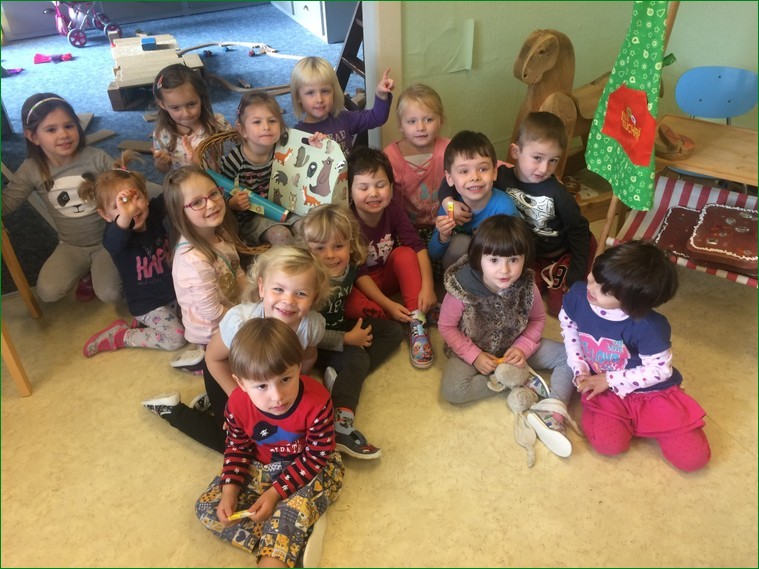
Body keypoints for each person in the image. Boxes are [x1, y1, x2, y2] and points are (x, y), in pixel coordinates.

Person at [143, 245, 333, 453]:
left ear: (314, 297)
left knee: (285, 439)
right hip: (227, 372)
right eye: (278, 289)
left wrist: (296, 389)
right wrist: (241, 399)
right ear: (262, 287)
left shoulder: (312, 325)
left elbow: (307, 358)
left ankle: (213, 401)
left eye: (301, 293)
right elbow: (214, 359)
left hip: (267, 383)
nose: (288, 300)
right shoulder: (239, 321)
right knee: (235, 444)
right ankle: (173, 411)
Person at [195, 317, 344, 568]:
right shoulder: (236, 405)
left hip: (312, 469)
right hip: (262, 468)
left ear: (298, 367)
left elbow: (316, 457)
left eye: (285, 379)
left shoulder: (318, 401)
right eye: (262, 386)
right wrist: (230, 491)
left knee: (294, 505)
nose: (277, 396)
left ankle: (281, 541)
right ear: (241, 383)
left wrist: (275, 494)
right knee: (207, 507)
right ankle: (290, 535)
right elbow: (238, 448)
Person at [140, 166, 267, 449]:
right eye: (197, 202)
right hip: (215, 340)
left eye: (213, 194)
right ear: (180, 213)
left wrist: (257, 300)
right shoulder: (192, 260)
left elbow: (238, 274)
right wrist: (254, 322)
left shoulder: (220, 236)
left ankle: (213, 395)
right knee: (233, 443)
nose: (210, 204)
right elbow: (213, 313)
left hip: (233, 324)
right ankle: (173, 411)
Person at [560, 240, 711, 472]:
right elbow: (569, 326)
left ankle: (642, 421)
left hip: (649, 391)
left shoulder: (649, 326)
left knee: (693, 459)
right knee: (609, 445)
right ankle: (624, 420)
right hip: (605, 390)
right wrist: (579, 365)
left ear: (633, 304)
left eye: (605, 290)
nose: (591, 287)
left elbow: (659, 370)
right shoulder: (578, 295)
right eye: (594, 275)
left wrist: (609, 379)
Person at [439, 214, 577, 458]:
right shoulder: (461, 289)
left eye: (513, 260)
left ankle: (553, 409)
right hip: (475, 346)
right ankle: (519, 382)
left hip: (515, 345)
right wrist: (474, 356)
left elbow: (538, 319)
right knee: (453, 391)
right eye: (493, 260)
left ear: (525, 258)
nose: (504, 270)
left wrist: (523, 347)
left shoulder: (527, 286)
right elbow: (447, 327)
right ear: (478, 258)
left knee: (571, 357)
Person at [439, 112, 594, 315]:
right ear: (515, 151)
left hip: (559, 253)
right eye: (537, 158)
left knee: (561, 305)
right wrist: (448, 201)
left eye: (553, 161)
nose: (544, 168)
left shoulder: (558, 194)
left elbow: (579, 231)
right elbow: (452, 180)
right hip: (526, 252)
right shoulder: (500, 176)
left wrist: (576, 274)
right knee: (516, 294)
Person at [298, 204, 404, 459]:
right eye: (319, 248)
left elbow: (361, 281)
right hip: (313, 342)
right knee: (357, 358)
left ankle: (345, 377)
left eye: (338, 246)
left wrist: (389, 305)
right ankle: (340, 427)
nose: (330, 255)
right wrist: (346, 340)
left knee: (393, 332)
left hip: (340, 325)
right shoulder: (307, 278)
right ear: (307, 249)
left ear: (350, 244)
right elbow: (302, 331)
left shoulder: (350, 266)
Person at [2, 93, 122, 304]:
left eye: (69, 126)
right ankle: (86, 273)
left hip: (107, 241)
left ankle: (103, 269)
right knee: (48, 292)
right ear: (33, 136)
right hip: (71, 245)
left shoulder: (96, 157)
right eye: (51, 130)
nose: (64, 134)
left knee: (111, 293)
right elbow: (7, 203)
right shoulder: (31, 169)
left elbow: (125, 186)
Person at [78, 151, 186, 357]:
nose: (131, 209)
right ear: (104, 215)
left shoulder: (151, 214)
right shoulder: (114, 236)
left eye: (136, 198)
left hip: (171, 293)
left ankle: (144, 325)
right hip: (147, 304)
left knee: (197, 319)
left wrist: (186, 164)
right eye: (119, 205)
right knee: (177, 338)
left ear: (145, 197)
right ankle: (121, 336)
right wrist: (125, 216)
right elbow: (116, 238)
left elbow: (172, 192)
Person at [343, 146, 437, 370]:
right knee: (348, 303)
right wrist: (389, 306)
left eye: (380, 185)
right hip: (362, 283)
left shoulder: (393, 210)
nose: (373, 193)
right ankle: (398, 316)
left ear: (392, 187)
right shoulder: (347, 220)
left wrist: (428, 287)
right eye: (363, 187)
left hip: (387, 275)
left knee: (405, 254)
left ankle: (416, 319)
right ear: (349, 192)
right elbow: (358, 272)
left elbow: (417, 247)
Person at [218, 90, 301, 247]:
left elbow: (307, 154)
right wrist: (232, 203)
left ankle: (307, 260)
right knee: (281, 235)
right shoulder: (235, 160)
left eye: (272, 121)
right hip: (252, 219)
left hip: (284, 209)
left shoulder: (283, 148)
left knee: (306, 227)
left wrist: (317, 142)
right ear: (243, 130)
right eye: (257, 122)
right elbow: (221, 192)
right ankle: (289, 262)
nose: (266, 127)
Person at [428, 130, 520, 271]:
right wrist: (443, 235)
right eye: (464, 171)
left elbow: (517, 251)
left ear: (494, 172)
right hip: (458, 270)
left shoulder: (505, 208)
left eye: (483, 169)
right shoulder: (450, 207)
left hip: (495, 270)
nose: (475, 177)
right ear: (449, 178)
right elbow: (433, 253)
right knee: (460, 243)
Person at [290, 56, 394, 155]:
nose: (319, 99)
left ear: (333, 92)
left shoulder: (343, 119)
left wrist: (381, 95)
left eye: (325, 91)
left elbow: (376, 117)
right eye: (310, 93)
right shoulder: (297, 135)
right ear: (298, 97)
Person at [383, 83, 450, 237]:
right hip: (404, 230)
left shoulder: (450, 150)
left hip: (444, 226)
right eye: (412, 121)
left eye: (428, 119)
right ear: (401, 125)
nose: (420, 128)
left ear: (441, 121)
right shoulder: (390, 156)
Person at [151, 63, 232, 174]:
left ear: (201, 98)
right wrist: (161, 162)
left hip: (216, 181)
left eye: (191, 104)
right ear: (162, 104)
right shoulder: (162, 134)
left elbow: (234, 152)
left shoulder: (218, 122)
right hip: (183, 184)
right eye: (175, 108)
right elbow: (164, 170)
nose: (186, 114)